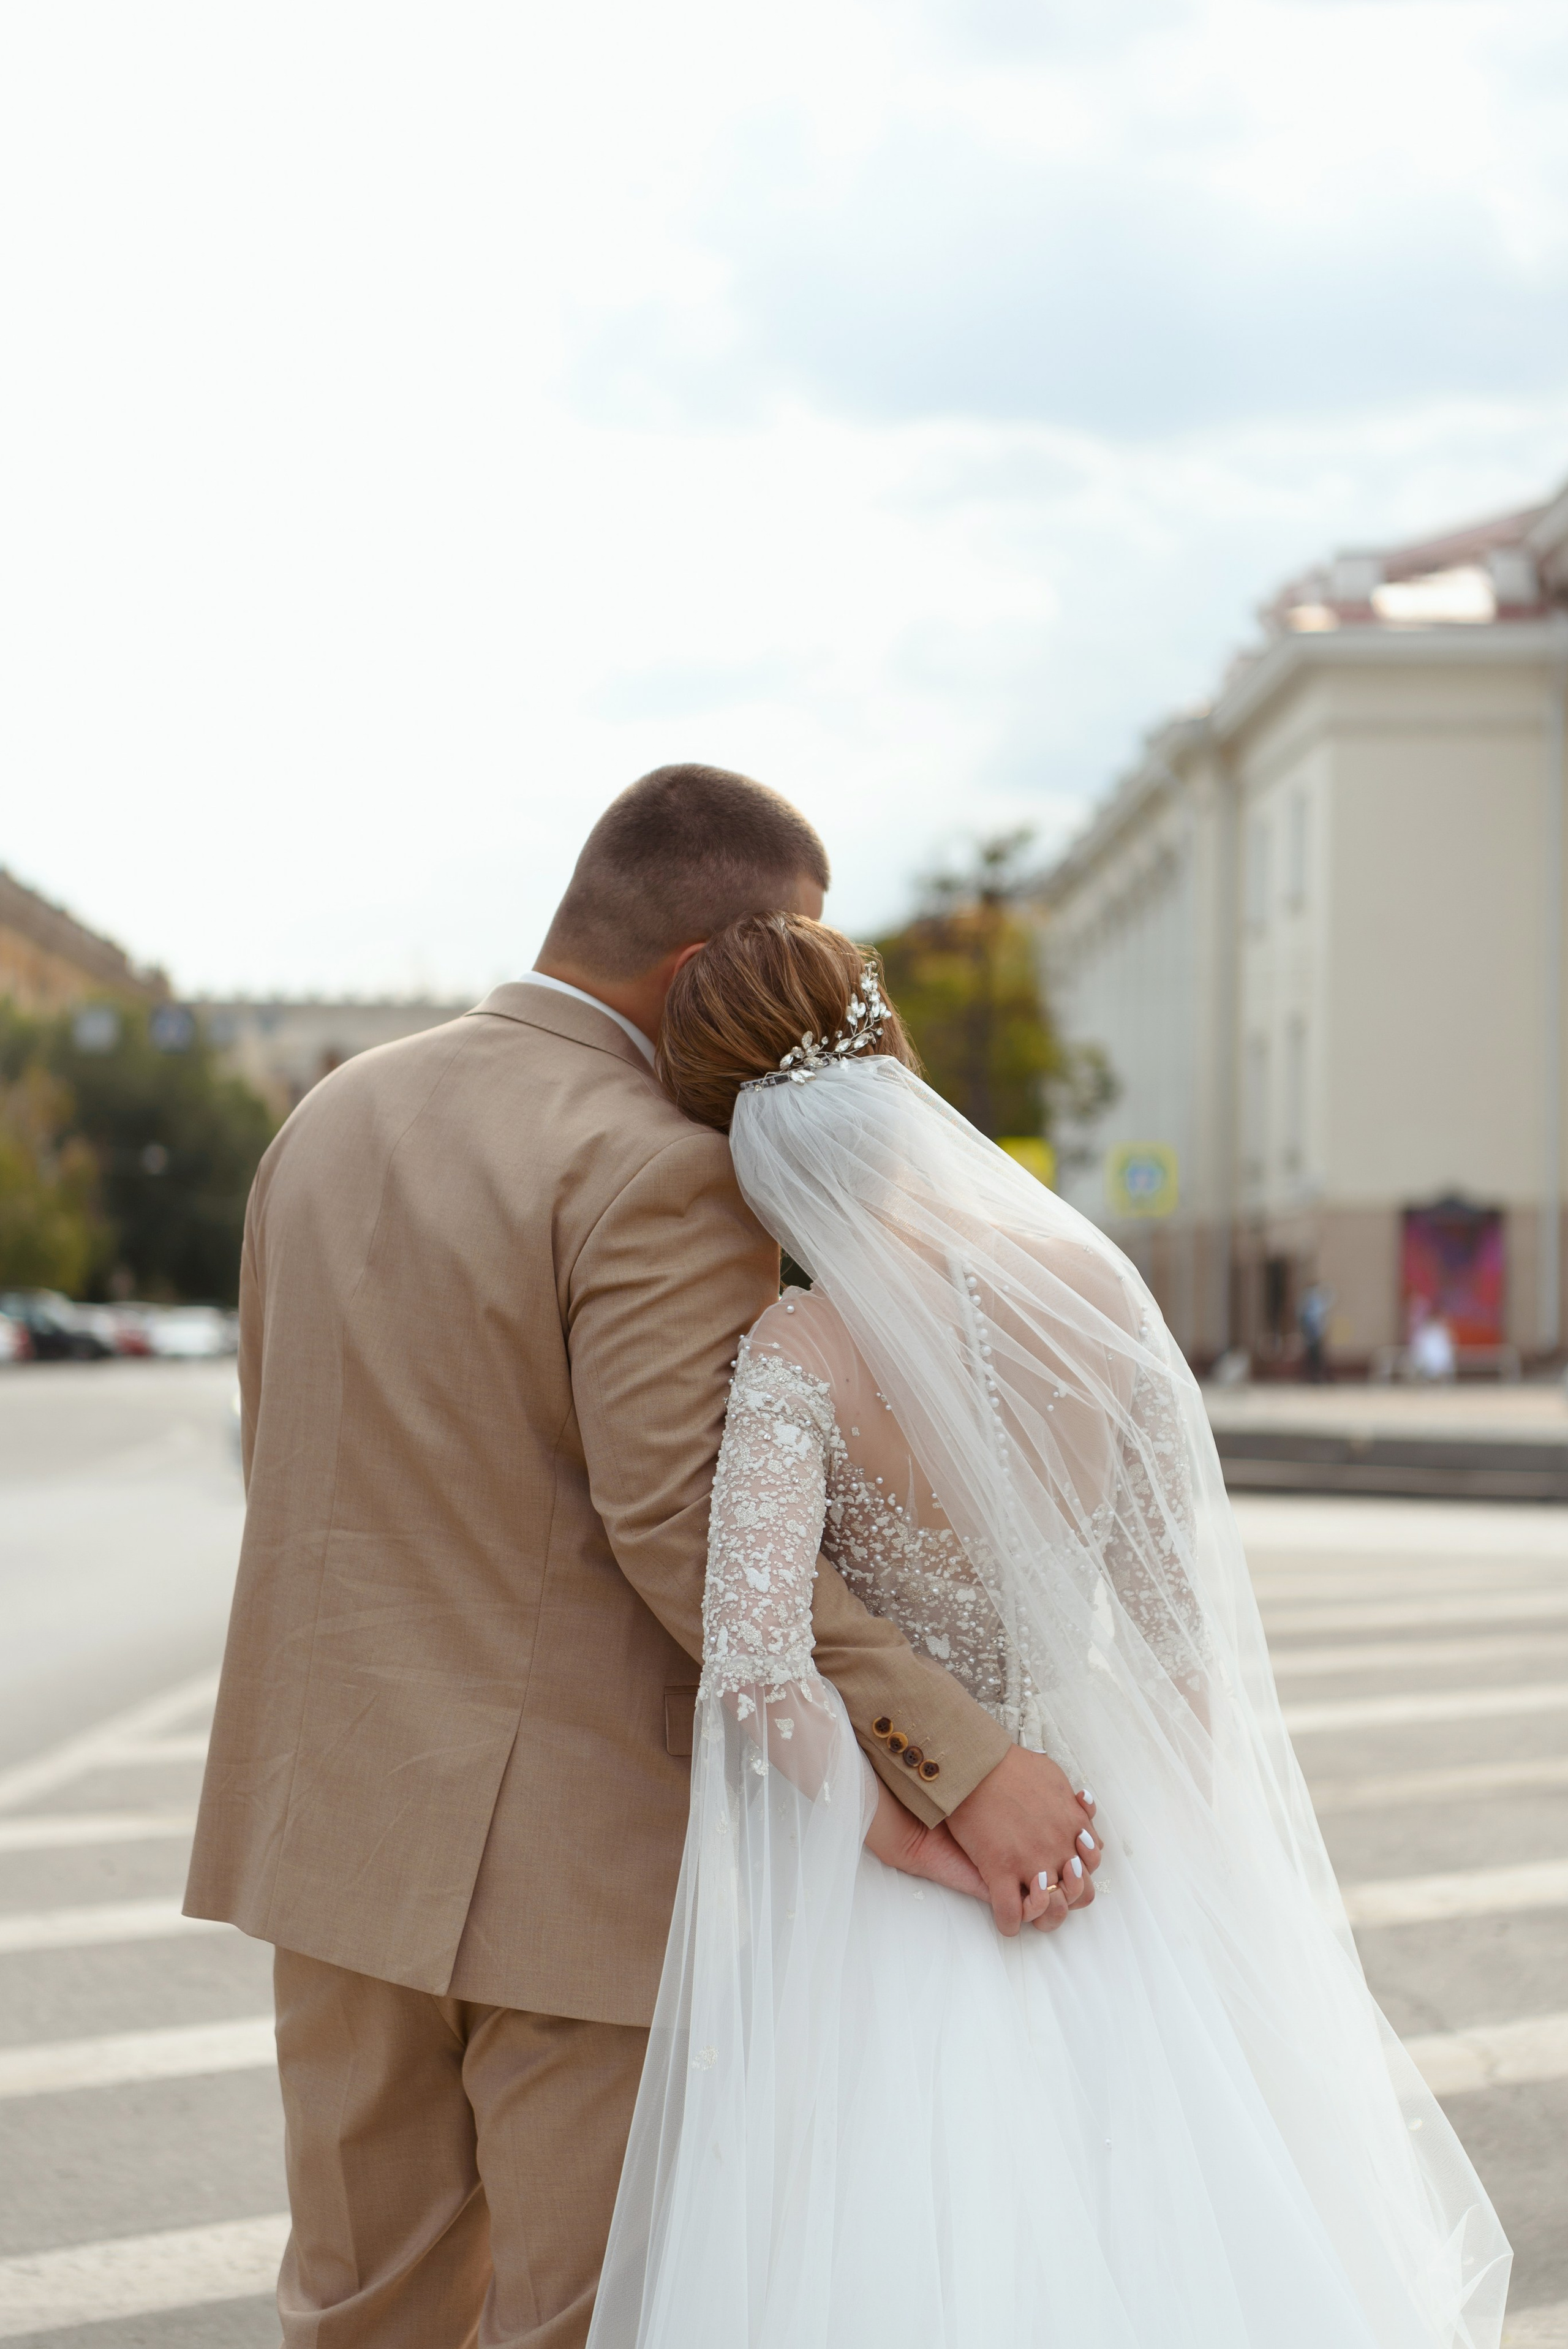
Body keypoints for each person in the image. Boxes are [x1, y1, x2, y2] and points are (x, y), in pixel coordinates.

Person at [184, 766, 1095, 2348]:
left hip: (327, 1822)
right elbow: (681, 1518)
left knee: (358, 2305)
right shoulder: (656, 1158)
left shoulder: (330, 1113)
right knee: (584, 2313)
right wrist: (955, 1755)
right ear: (701, 969)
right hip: (566, 1856)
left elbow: (293, 1455)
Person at [588, 913, 1512, 2349]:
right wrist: (1169, 1871)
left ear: (738, 1148)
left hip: (913, 1885)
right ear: (895, 1072)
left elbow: (758, 1662)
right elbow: (1174, 1647)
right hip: (1102, 1835)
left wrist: (910, 1839)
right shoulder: (1101, 1304)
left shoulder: (794, 1358)